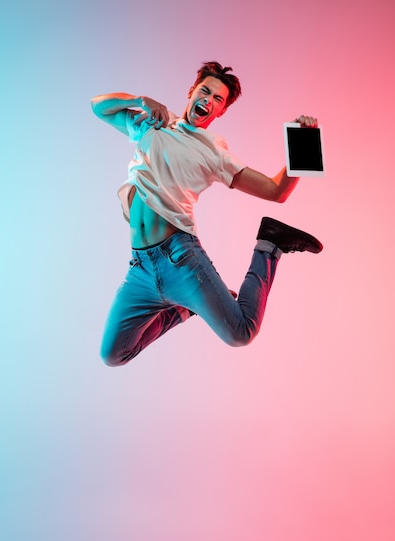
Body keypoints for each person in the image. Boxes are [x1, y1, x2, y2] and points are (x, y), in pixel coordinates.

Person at [91, 61, 323, 366]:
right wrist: (139, 100)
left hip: (181, 260)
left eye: (218, 100)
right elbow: (99, 107)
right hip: (141, 268)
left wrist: (303, 140)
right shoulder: (152, 125)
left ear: (221, 111)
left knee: (241, 332)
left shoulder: (213, 152)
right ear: (191, 91)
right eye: (205, 91)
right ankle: (182, 308)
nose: (208, 101)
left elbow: (275, 191)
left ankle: (270, 245)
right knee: (113, 354)